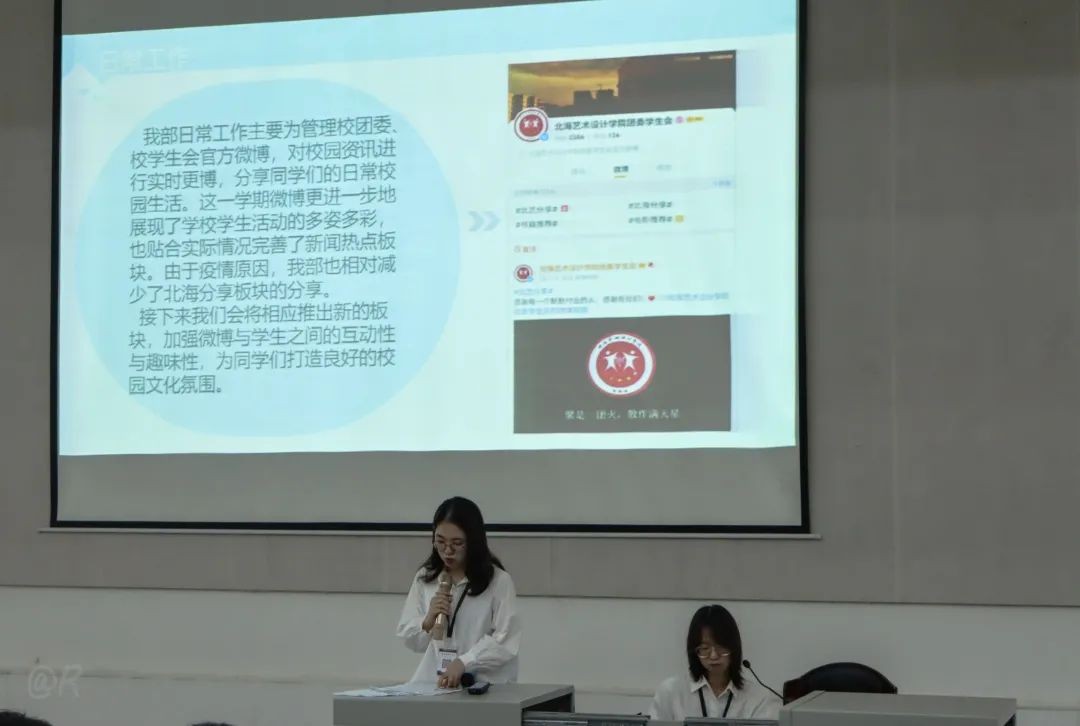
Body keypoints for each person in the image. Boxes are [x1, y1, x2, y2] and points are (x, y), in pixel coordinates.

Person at [396, 496, 521, 687]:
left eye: (457, 543)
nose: (447, 551)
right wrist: (427, 621)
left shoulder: (498, 581)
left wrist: (465, 662)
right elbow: (410, 638)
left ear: (473, 542)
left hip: (483, 687)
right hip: (435, 684)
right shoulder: (426, 577)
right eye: (440, 541)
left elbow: (506, 641)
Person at [649, 604, 780, 721]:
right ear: (694, 651)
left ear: (734, 648)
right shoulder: (671, 692)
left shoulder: (759, 698)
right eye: (705, 648)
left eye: (721, 647)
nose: (713, 656)